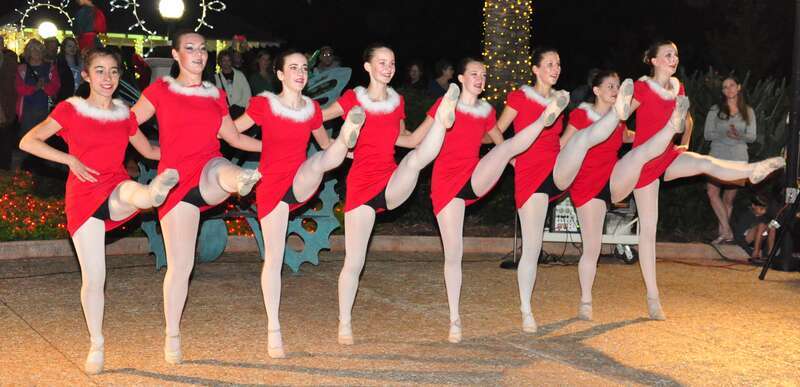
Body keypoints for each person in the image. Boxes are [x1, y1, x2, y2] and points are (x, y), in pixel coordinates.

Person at [18, 47, 178, 374]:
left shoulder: (124, 115)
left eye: (114, 72)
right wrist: (69, 159)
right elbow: (28, 142)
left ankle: (152, 193)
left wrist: (189, 153)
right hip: (83, 195)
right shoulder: (71, 110)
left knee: (132, 192)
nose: (108, 78)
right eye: (100, 71)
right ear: (87, 75)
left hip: (115, 185)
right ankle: (97, 343)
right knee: (95, 279)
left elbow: (148, 149)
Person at [625, 40, 784, 320]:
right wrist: (623, 108)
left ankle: (752, 170)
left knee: (705, 162)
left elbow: (685, 118)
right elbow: (623, 115)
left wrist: (685, 143)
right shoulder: (641, 87)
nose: (674, 59)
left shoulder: (678, 87)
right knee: (647, 232)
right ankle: (653, 298)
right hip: (643, 161)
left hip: (668, 155)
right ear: (653, 60)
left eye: (675, 54)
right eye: (668, 55)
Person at [131, 30, 262, 364]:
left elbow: (232, 137)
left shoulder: (215, 93)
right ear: (176, 55)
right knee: (181, 265)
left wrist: (274, 149)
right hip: (175, 183)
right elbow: (127, 123)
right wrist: (148, 150)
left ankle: (240, 179)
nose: (199, 54)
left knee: (221, 164)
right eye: (190, 49)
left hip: (207, 171)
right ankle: (172, 334)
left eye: (203, 49)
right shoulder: (160, 89)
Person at [412, 57, 565, 342]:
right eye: (474, 74)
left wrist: (515, 165)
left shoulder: (486, 111)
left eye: (483, 74)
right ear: (460, 78)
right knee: (454, 253)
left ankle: (545, 119)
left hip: (474, 176)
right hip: (446, 185)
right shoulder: (443, 105)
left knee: (506, 149)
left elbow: (499, 142)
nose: (480, 78)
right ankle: (455, 319)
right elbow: (415, 139)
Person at [322, 43, 459, 345]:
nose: (388, 67)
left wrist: (434, 117)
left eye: (392, 62)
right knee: (354, 261)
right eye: (381, 62)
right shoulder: (353, 98)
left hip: (390, 180)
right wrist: (332, 151)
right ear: (367, 67)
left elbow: (408, 140)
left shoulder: (396, 102)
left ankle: (444, 113)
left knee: (413, 160)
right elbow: (316, 119)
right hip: (360, 186)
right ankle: (344, 321)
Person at [234, 50, 364, 358]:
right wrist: (264, 146)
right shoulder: (265, 104)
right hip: (270, 187)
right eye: (293, 68)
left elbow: (322, 145)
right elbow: (232, 132)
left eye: (304, 68)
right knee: (274, 257)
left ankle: (349, 132)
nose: (300, 72)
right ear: (279, 74)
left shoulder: (312, 109)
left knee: (320, 160)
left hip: (301, 178)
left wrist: (343, 152)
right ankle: (273, 330)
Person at [489, 47, 570, 333]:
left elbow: (559, 138)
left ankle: (607, 119)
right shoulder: (521, 97)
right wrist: (509, 157)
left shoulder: (561, 100)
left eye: (558, 64)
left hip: (556, 167)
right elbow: (496, 128)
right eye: (549, 64)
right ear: (535, 69)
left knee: (581, 145)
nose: (555, 68)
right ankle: (526, 309)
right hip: (531, 174)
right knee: (533, 246)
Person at [704, 76, 756, 244]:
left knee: (728, 199)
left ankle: (722, 234)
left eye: (732, 85)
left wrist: (737, 135)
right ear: (723, 91)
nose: (729, 89)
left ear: (738, 87)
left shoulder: (748, 111)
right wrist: (723, 133)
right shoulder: (715, 110)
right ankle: (727, 230)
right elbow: (707, 134)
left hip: (738, 157)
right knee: (712, 193)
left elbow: (752, 137)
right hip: (717, 155)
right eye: (725, 87)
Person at [16, 39, 60, 134]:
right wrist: (35, 88)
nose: (37, 52)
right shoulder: (22, 69)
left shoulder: (50, 67)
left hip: (46, 110)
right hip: (27, 111)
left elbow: (56, 86)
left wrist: (44, 87)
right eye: (33, 49)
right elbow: (19, 89)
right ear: (28, 52)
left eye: (39, 49)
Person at [731, 194, 776, 262]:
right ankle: (755, 254)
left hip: (760, 237)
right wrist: (749, 251)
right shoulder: (746, 215)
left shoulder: (765, 216)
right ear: (753, 206)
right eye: (761, 209)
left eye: (765, 209)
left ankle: (770, 254)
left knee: (773, 224)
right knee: (761, 225)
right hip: (746, 239)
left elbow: (770, 231)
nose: (764, 211)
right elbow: (738, 236)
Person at [214, 49, 252, 119]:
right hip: (224, 114)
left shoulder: (240, 75)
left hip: (241, 112)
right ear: (220, 62)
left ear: (231, 61)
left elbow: (247, 94)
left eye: (228, 60)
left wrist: (238, 106)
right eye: (224, 60)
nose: (226, 63)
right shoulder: (216, 78)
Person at [0, 35, 18, 170]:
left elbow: (12, 82)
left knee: (6, 138)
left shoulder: (10, 57)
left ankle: (5, 169)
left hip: (8, 102)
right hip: (6, 101)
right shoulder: (10, 57)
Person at [56, 37, 82, 103]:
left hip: (77, 98)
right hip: (63, 98)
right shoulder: (58, 62)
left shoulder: (80, 62)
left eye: (74, 46)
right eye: (69, 46)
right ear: (64, 47)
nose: (72, 48)